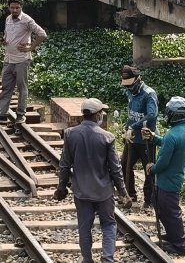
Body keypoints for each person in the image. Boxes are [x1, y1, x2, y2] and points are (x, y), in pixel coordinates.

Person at [55, 98, 132, 263]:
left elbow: (64, 165)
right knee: (109, 225)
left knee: (84, 228)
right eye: (101, 112)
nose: (102, 115)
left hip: (81, 192)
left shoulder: (70, 134)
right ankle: (107, 259)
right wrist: (123, 193)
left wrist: (61, 187)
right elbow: (116, 169)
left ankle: (87, 260)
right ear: (97, 115)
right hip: (103, 192)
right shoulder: (107, 137)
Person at [143, 96, 185, 257]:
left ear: (173, 114)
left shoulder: (172, 134)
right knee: (160, 204)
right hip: (176, 177)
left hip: (167, 181)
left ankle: (179, 244)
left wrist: (152, 168)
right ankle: (173, 236)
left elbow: (163, 162)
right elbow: (168, 144)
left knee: (170, 211)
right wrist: (154, 137)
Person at [0, 0, 46, 124]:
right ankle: (2, 114)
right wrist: (4, 41)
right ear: (8, 8)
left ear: (21, 7)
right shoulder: (8, 19)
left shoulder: (27, 20)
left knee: (22, 88)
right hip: (8, 59)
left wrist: (31, 47)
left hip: (21, 60)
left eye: (17, 8)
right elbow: (8, 35)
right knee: (6, 88)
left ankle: (21, 115)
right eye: (12, 8)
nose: (14, 10)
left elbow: (42, 34)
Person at [120, 65, 158, 207]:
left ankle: (149, 200)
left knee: (149, 169)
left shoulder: (149, 94)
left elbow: (151, 115)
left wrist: (133, 127)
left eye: (130, 84)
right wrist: (127, 130)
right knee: (124, 165)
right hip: (132, 138)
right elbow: (132, 113)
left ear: (137, 79)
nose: (128, 88)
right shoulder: (130, 92)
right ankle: (130, 194)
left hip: (146, 139)